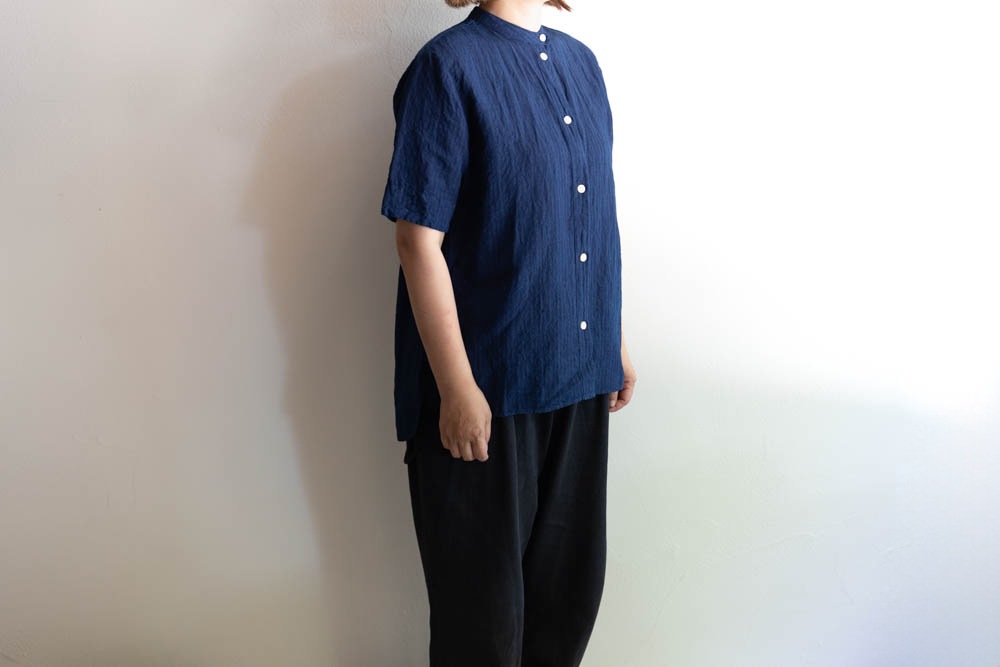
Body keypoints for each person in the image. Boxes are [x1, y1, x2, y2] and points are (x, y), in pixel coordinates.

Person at [379, 0, 637, 664]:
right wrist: (456, 387)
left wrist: (612, 340)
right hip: (487, 391)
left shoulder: (582, 64)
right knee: (482, 627)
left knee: (567, 603)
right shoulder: (447, 67)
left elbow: (587, 215)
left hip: (580, 376)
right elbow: (417, 241)